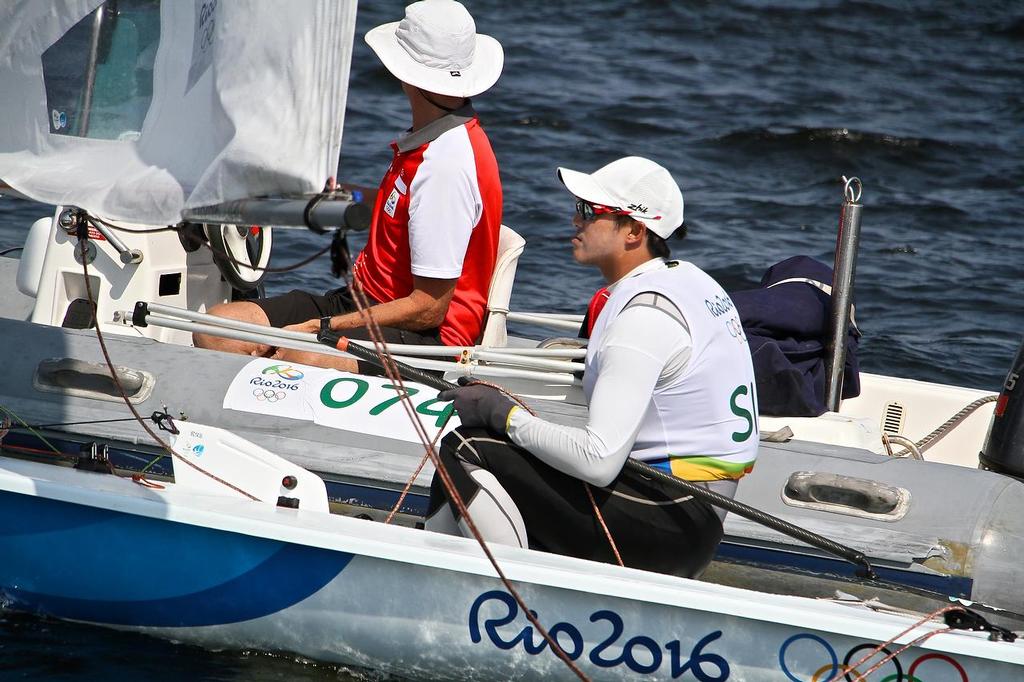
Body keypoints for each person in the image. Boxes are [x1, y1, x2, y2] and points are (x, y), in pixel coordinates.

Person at [427, 156, 759, 578]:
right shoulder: (688, 281)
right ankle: (432, 548)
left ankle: (510, 593)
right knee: (487, 445)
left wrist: (503, 414)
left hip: (668, 523)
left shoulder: (643, 317)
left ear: (636, 231)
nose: (574, 221)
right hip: (688, 512)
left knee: (470, 446)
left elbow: (597, 460)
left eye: (589, 212)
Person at [194, 0, 504, 373]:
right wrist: (335, 193)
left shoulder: (445, 166)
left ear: (405, 73)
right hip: (363, 303)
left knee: (297, 360)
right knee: (217, 329)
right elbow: (400, 205)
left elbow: (429, 308)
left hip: (427, 341)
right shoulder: (431, 139)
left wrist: (322, 328)